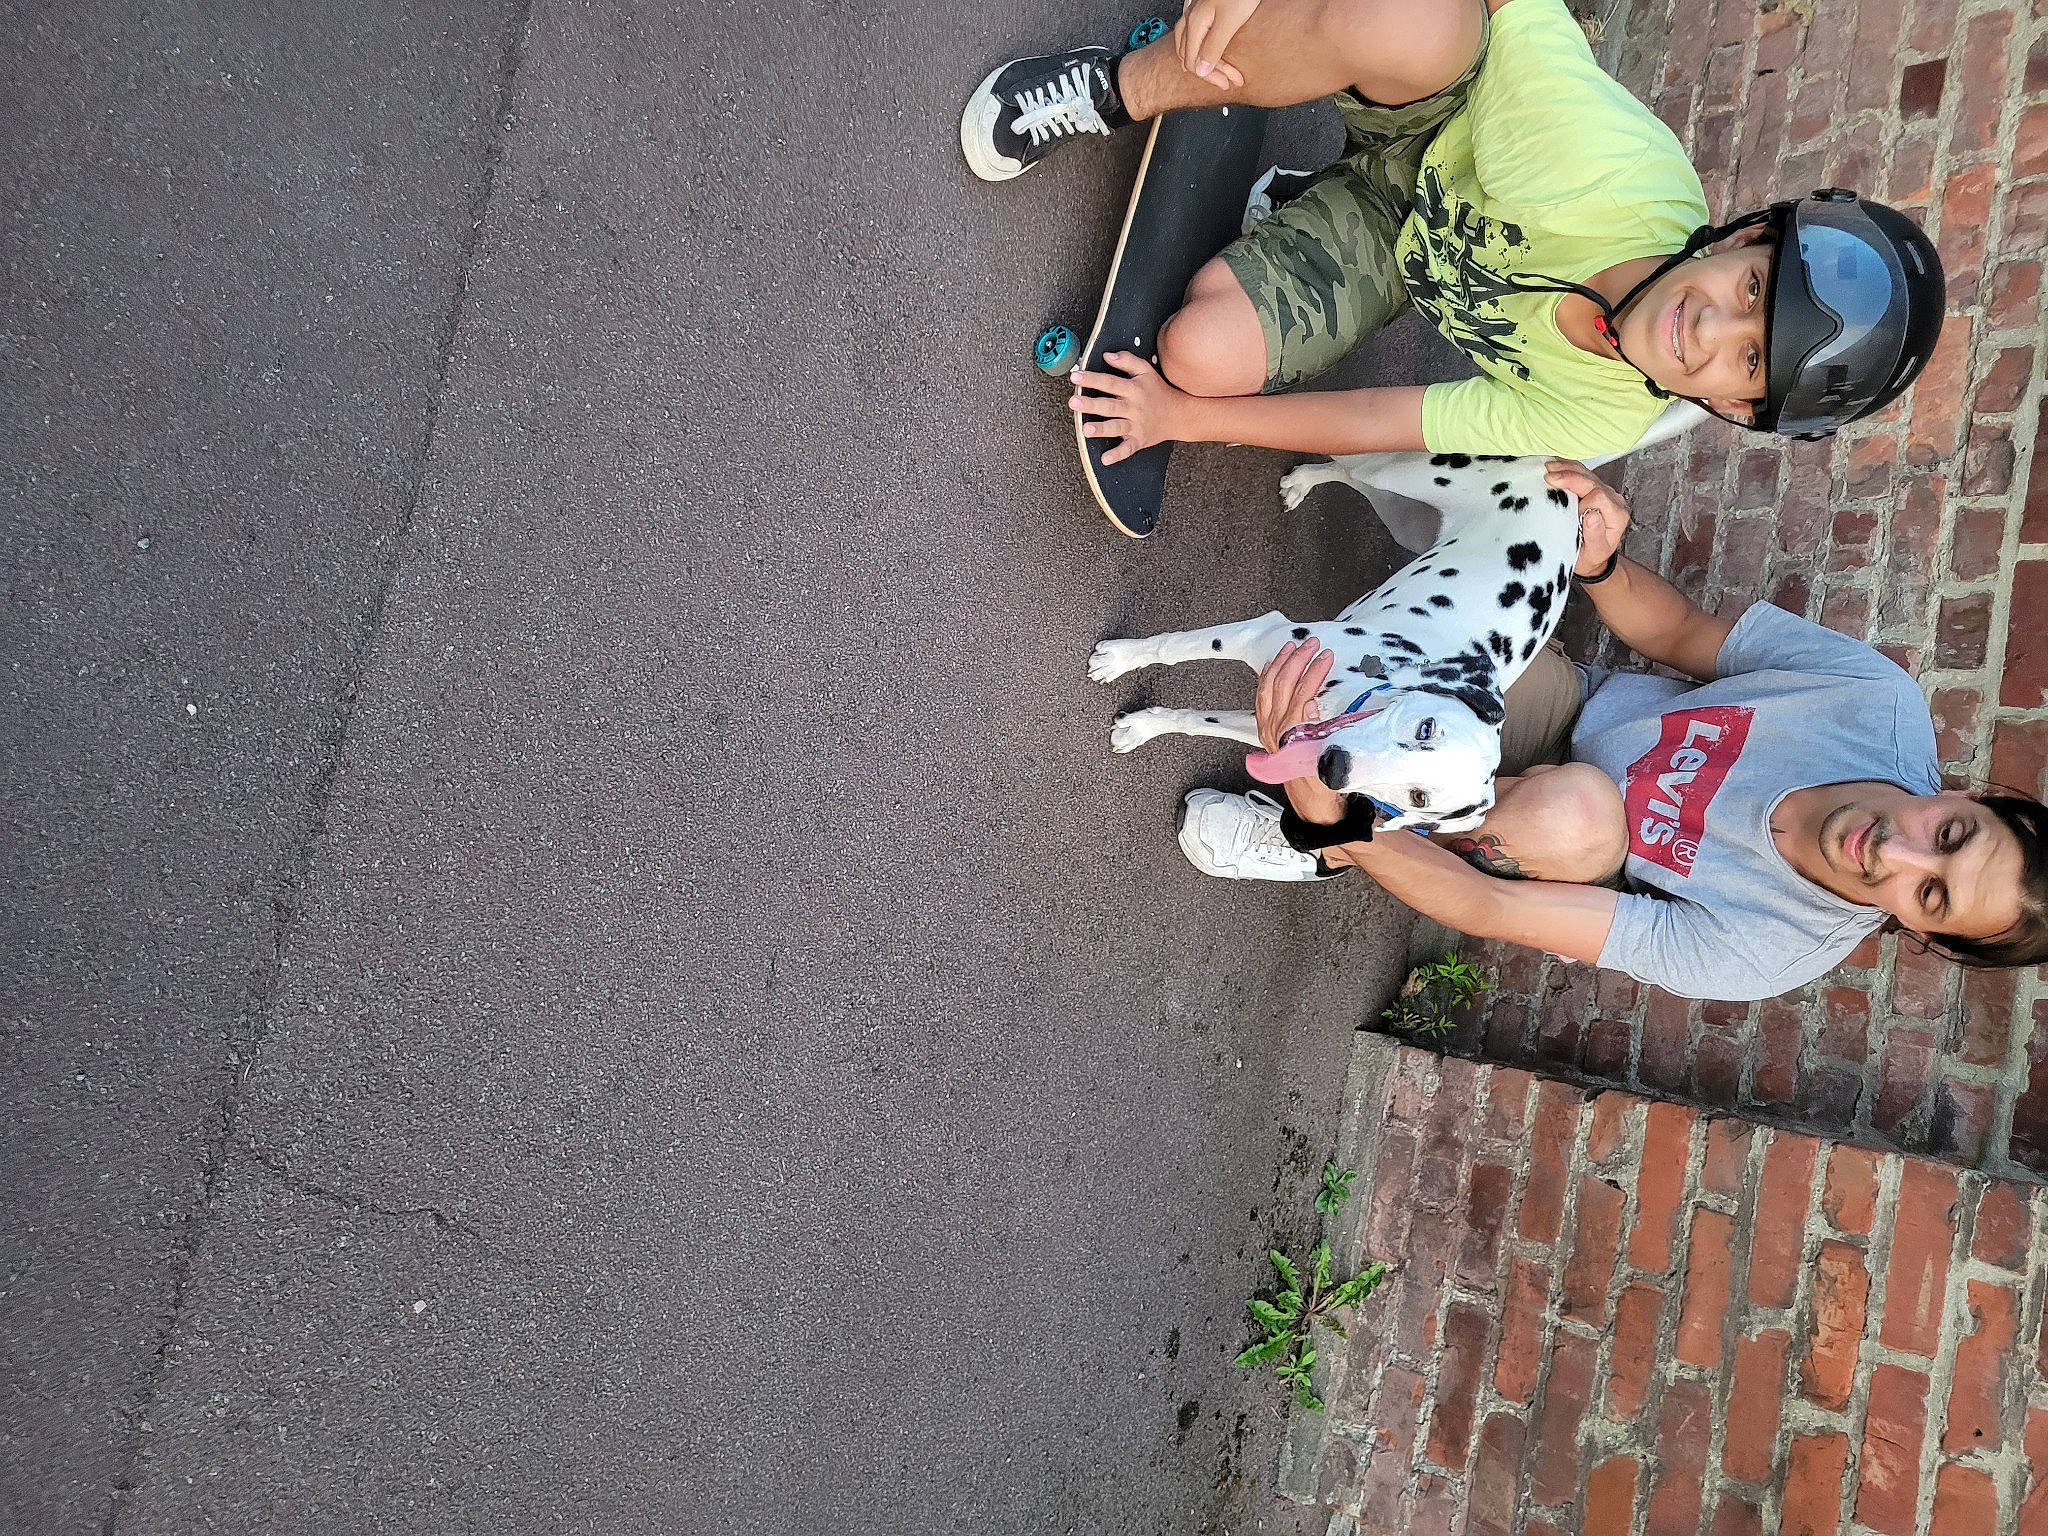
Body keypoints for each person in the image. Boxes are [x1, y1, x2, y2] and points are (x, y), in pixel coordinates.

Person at [1173, 463, 2048, 1002]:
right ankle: (1345, 771)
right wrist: (1597, 559)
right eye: (1951, 836)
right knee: (1399, 668)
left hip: (1556, 835)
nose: (1898, 851)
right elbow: (1678, 636)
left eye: (1930, 893)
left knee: (1576, 814)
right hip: (1573, 708)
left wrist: (1328, 823)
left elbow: (1497, 906)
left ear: (1925, 935)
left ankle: (1322, 838)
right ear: (1965, 795)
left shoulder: (1771, 949)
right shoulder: (1875, 703)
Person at [961, 0, 1945, 470]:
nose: (1709, 330)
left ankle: (1308, 188)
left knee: (1196, 355)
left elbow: (1386, 420)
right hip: (1435, 117)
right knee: (1413, 23)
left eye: (1744, 364)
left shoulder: (1601, 418)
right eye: (1751, 293)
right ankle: (1107, 91)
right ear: (1740, 237)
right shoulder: (1600, 167)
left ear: (1734, 411)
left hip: (1390, 237)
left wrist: (1186, 420)